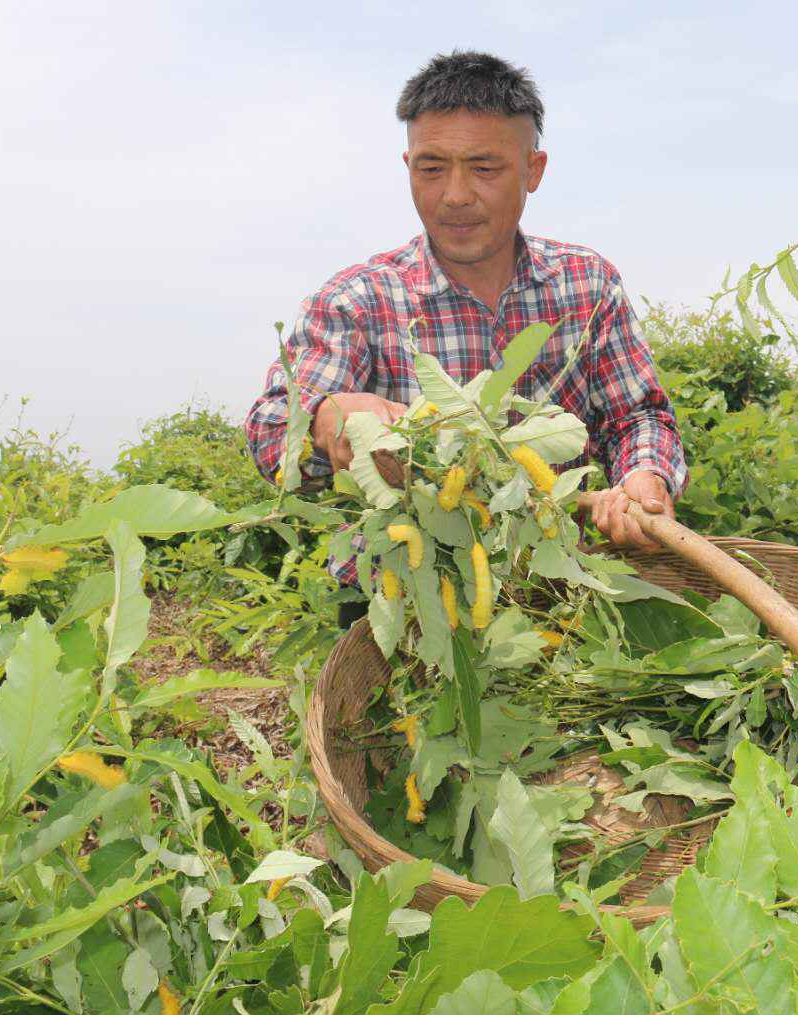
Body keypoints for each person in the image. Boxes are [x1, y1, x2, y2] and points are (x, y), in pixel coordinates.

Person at [244, 51, 687, 626]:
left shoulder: (586, 284)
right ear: (408, 166)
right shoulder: (360, 299)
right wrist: (327, 419)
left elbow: (637, 416)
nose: (455, 195)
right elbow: (273, 429)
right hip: (404, 593)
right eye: (431, 169)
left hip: (564, 581)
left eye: (484, 168)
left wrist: (642, 481)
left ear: (533, 170)